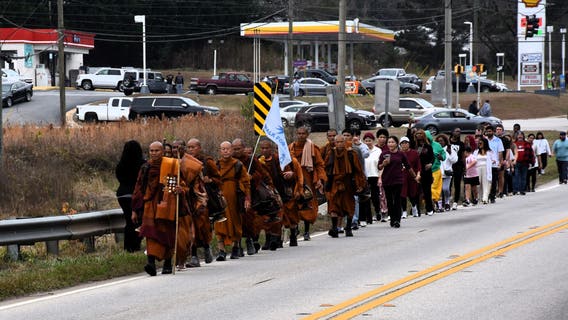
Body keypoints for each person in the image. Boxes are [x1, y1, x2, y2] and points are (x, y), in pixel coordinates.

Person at [131, 141, 186, 276]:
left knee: (166, 232)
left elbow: (182, 183)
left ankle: (168, 263)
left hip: (167, 203)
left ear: (163, 151)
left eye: (157, 151)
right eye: (151, 151)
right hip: (150, 204)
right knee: (150, 233)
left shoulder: (171, 165)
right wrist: (134, 209)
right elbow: (138, 187)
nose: (154, 153)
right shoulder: (146, 167)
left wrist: (181, 189)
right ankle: (151, 263)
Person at [258, 138, 303, 248]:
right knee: (268, 217)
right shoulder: (258, 161)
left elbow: (289, 172)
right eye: (262, 148)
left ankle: (293, 235)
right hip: (268, 193)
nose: (264, 150)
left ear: (271, 149)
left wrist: (290, 175)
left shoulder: (279, 159)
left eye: (266, 148)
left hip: (283, 190)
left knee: (290, 215)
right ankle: (271, 240)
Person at [231, 138, 271, 255]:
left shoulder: (251, 160)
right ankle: (237, 245)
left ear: (243, 148)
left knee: (248, 218)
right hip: (234, 193)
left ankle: (249, 240)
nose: (236, 151)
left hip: (250, 193)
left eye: (238, 149)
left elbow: (262, 174)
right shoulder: (230, 161)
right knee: (236, 219)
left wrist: (252, 177)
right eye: (234, 149)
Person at [214, 141, 251, 261]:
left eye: (228, 149)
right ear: (220, 151)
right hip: (220, 200)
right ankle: (221, 251)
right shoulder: (217, 165)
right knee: (219, 223)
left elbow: (246, 183)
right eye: (223, 149)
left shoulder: (238, 165)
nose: (225, 151)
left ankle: (236, 247)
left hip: (234, 198)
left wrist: (247, 198)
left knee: (235, 222)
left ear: (232, 150)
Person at [186, 138, 220, 266]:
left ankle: (206, 247)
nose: (191, 150)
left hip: (203, 199)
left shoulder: (207, 161)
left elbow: (218, 178)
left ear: (199, 147)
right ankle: (193, 256)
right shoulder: (184, 162)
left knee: (203, 225)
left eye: (193, 147)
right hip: (188, 197)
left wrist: (210, 180)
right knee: (191, 226)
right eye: (188, 147)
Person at [289, 126, 326, 241]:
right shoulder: (291, 148)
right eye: (299, 133)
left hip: (307, 180)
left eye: (303, 134)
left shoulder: (312, 148)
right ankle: (294, 229)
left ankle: (306, 231)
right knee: (293, 205)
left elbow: (319, 164)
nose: (301, 136)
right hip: (293, 180)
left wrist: (320, 178)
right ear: (296, 134)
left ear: (307, 135)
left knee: (308, 205)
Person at [324, 134, 366, 237]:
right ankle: (334, 228)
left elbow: (358, 170)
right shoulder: (331, 154)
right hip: (335, 184)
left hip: (348, 184)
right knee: (334, 207)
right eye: (337, 142)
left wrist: (360, 183)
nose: (339, 144)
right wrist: (325, 182)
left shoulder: (351, 154)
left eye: (341, 142)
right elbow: (326, 168)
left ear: (345, 142)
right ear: (334, 143)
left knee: (349, 206)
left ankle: (348, 228)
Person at [378, 136, 416, 228]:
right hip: (387, 180)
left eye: (392, 142)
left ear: (396, 143)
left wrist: (415, 176)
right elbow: (379, 167)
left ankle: (397, 220)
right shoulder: (384, 153)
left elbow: (408, 166)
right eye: (389, 142)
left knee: (397, 200)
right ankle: (392, 218)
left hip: (398, 180)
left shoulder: (401, 154)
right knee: (390, 201)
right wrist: (383, 164)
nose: (390, 144)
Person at [115, 140, 145, 252]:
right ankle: (135, 245)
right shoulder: (142, 165)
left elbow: (120, 178)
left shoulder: (121, 165)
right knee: (139, 220)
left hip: (122, 195)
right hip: (136, 195)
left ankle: (128, 247)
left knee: (129, 220)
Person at [399, 136, 421, 217]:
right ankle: (404, 211)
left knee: (412, 194)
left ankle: (414, 207)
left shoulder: (414, 153)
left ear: (409, 144)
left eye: (406, 143)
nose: (404, 145)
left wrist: (418, 174)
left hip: (412, 176)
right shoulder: (399, 153)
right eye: (402, 143)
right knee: (402, 194)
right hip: (402, 177)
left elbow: (418, 165)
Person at [414, 129, 435, 216]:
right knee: (416, 191)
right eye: (417, 134)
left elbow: (432, 157)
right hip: (416, 171)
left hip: (426, 171)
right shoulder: (414, 146)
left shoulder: (428, 146)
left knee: (427, 191)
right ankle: (416, 210)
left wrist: (431, 164)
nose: (418, 135)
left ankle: (429, 208)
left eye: (420, 133)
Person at [436, 134, 458, 211]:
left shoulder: (450, 148)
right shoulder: (435, 149)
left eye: (441, 141)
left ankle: (447, 202)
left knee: (445, 189)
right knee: (438, 190)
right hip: (437, 173)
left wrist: (450, 153)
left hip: (447, 172)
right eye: (438, 141)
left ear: (445, 141)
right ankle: (439, 206)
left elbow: (454, 160)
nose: (440, 142)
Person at [427, 130, 446, 213]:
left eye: (427, 138)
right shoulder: (421, 146)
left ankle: (434, 203)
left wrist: (441, 156)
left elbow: (443, 155)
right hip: (425, 171)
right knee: (428, 189)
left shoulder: (437, 145)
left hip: (435, 170)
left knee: (434, 187)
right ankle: (431, 204)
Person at [485, 125, 504, 203]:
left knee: (493, 180)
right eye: (487, 131)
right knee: (486, 181)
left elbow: (500, 152)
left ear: (493, 132)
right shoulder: (484, 140)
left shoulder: (498, 140)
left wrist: (500, 162)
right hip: (485, 164)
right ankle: (486, 195)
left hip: (494, 164)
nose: (489, 133)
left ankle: (492, 196)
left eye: (490, 131)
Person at [473, 138, 494, 204]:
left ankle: (485, 198)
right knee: (478, 184)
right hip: (477, 168)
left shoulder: (489, 152)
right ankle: (479, 198)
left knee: (486, 184)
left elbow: (494, 159)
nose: (479, 144)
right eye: (479, 143)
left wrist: (492, 161)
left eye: (481, 143)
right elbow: (473, 160)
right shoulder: (476, 152)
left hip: (486, 168)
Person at [449, 128, 465, 209]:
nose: (459, 133)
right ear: (452, 132)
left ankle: (455, 202)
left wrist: (464, 167)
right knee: (449, 184)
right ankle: (448, 201)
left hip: (458, 166)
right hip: (449, 166)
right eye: (457, 131)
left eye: (460, 131)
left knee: (457, 184)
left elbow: (463, 156)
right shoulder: (448, 142)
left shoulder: (461, 144)